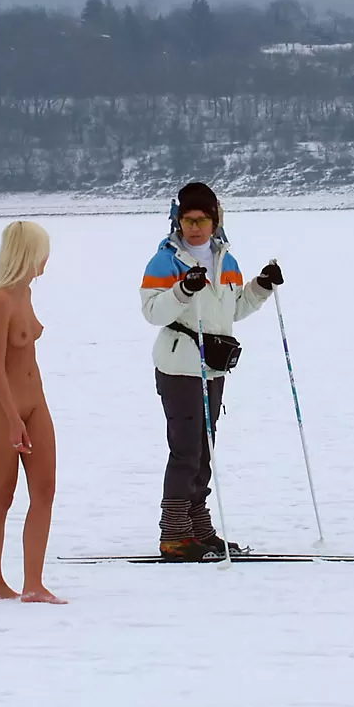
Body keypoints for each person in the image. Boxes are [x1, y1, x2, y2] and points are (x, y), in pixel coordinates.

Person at [140, 182, 282, 560]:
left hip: (212, 368)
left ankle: (197, 526)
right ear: (178, 220)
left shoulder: (226, 260)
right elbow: (152, 312)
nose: (195, 227)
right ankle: (173, 533)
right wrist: (183, 290)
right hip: (179, 365)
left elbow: (233, 309)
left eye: (202, 220)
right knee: (185, 450)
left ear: (215, 220)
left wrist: (261, 287)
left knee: (204, 449)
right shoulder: (165, 261)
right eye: (188, 220)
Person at [0, 221, 64, 603]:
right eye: (42, 251)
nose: (46, 259)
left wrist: (29, 412)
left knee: (44, 490)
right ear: (28, 252)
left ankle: (34, 584)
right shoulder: (0, 300)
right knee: (2, 494)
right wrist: (13, 419)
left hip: (36, 402)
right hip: (2, 407)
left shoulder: (26, 293)